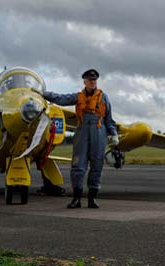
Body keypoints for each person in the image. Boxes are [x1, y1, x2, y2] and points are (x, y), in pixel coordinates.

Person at [43, 69, 119, 209]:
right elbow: (61, 98)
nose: (93, 82)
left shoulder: (104, 98)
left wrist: (113, 135)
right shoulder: (78, 97)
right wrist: (43, 93)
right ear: (84, 81)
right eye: (90, 80)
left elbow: (109, 119)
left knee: (97, 166)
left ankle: (92, 199)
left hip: (99, 133)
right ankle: (76, 199)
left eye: (94, 80)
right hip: (82, 133)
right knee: (78, 166)